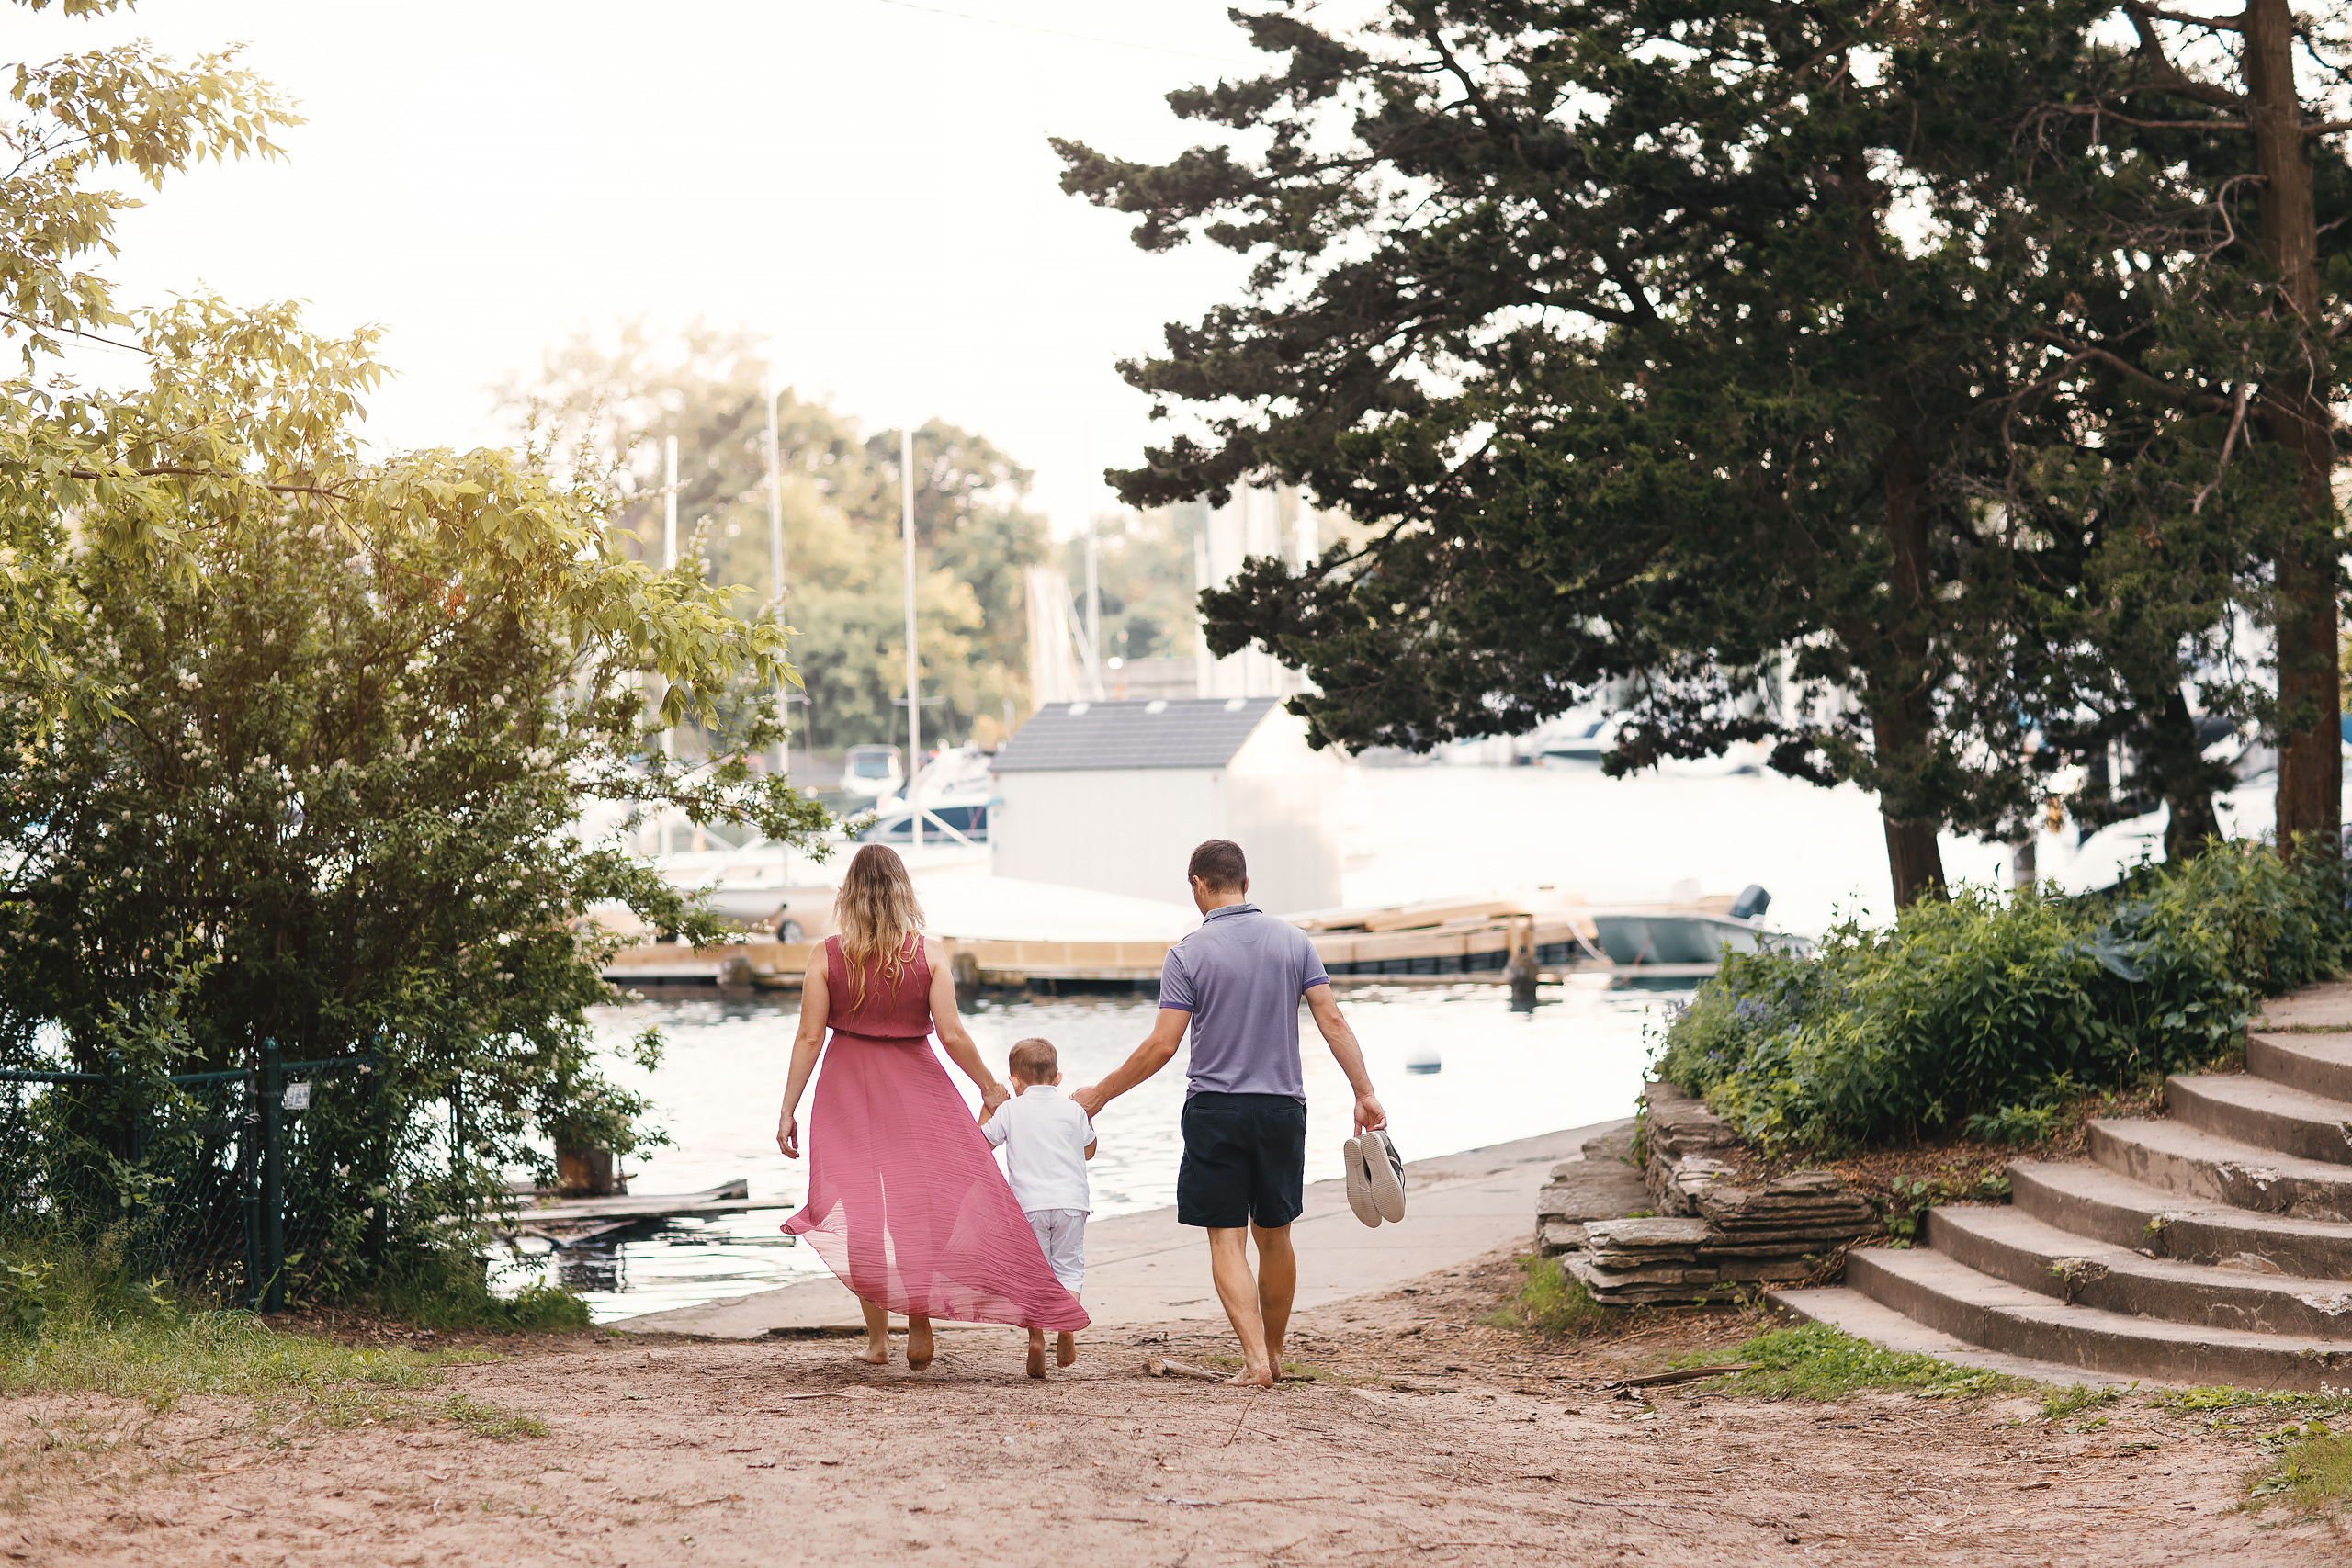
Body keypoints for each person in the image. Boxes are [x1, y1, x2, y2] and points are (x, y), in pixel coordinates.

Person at [1072, 839, 1386, 1388]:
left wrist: (1100, 1094)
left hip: (1215, 1110)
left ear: (1198, 885)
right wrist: (1364, 1092)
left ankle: (1255, 1362)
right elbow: (1332, 1020)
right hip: (1281, 1110)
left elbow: (1163, 1045)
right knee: (1276, 1235)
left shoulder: (1187, 954)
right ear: (1245, 882)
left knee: (1226, 1238)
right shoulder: (1295, 942)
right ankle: (1276, 1355)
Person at [775, 844, 1087, 1370]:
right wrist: (988, 1085)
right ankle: (918, 1321)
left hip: (846, 1090)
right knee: (913, 1210)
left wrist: (788, 1109)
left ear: (848, 895)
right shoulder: (929, 954)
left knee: (861, 1213)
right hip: (915, 1089)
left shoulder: (825, 956)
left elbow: (809, 1037)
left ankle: (877, 1341)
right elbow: (952, 1034)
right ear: (904, 893)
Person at [978, 1036, 1096, 1379]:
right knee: (1068, 1269)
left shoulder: (1010, 1110)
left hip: (1029, 1206)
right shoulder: (1073, 1110)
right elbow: (1089, 1151)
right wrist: (1087, 1117)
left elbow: (980, 1146)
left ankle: (1036, 1339)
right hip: (1071, 1204)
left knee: (1034, 1273)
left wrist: (989, 1107)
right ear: (1058, 1078)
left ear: (1014, 1081)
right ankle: (1066, 1325)